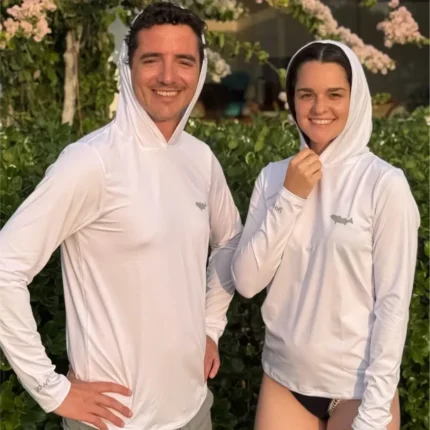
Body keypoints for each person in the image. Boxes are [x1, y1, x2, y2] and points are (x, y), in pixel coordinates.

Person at [0, 3, 242, 430]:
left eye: (184, 61)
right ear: (128, 68)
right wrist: (52, 390)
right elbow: (5, 267)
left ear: (200, 71)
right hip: (114, 422)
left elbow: (229, 241)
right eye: (152, 60)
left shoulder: (200, 159)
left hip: (193, 410)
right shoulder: (91, 161)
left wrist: (209, 326)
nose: (168, 76)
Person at [232, 40, 419, 430]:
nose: (319, 108)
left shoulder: (384, 184)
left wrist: (374, 412)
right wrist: (290, 196)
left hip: (359, 387)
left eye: (335, 94)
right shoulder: (274, 177)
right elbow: (247, 282)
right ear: (292, 99)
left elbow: (392, 304)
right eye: (306, 94)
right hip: (285, 381)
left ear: (356, 97)